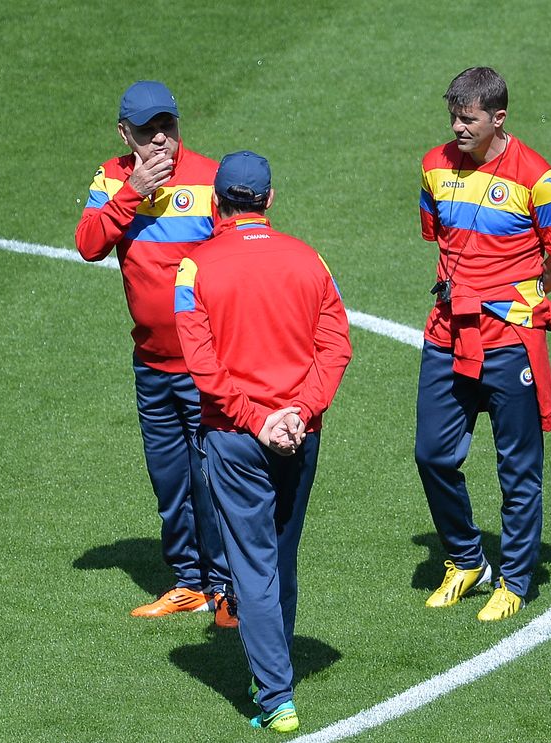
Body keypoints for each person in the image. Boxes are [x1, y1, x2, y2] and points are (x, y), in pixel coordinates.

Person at [174, 150, 352, 732]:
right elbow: (336, 347)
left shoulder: (194, 270)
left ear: (216, 202)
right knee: (282, 553)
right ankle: (273, 672)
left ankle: (275, 695)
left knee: (253, 564)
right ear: (269, 200)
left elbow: (202, 367)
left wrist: (257, 419)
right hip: (301, 435)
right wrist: (298, 412)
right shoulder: (309, 260)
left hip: (235, 436)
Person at [415, 67, 551, 622]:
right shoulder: (434, 166)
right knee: (432, 454)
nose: (458, 128)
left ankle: (514, 578)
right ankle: (465, 559)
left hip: (510, 341)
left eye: (469, 119)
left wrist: (527, 295)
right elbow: (438, 234)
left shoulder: (539, 179)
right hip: (447, 333)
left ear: (498, 118)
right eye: (453, 117)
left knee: (518, 469)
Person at [74, 80, 233, 627]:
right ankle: (189, 583)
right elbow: (89, 244)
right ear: (126, 135)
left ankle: (227, 589)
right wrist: (131, 192)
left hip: (204, 364)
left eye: (168, 126)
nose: (161, 140)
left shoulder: (212, 179)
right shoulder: (112, 178)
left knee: (211, 478)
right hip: (152, 366)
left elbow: (240, 263)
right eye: (148, 132)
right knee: (170, 481)